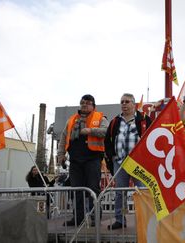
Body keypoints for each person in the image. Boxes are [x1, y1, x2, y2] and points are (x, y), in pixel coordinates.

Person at [57, 94, 108, 227]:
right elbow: (64, 138)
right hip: (75, 160)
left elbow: (106, 131)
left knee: (93, 188)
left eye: (88, 102)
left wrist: (90, 131)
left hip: (93, 159)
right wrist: (61, 154)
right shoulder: (72, 120)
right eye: (82, 102)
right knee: (76, 190)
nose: (84, 104)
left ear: (93, 106)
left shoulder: (100, 118)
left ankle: (95, 217)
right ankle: (77, 218)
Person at [104, 93, 151, 230]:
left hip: (138, 163)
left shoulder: (144, 119)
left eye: (127, 101)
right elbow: (107, 141)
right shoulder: (114, 121)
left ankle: (144, 219)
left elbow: (152, 137)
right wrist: (111, 157)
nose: (124, 104)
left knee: (141, 191)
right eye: (122, 102)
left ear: (134, 104)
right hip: (120, 162)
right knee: (120, 192)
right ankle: (120, 219)